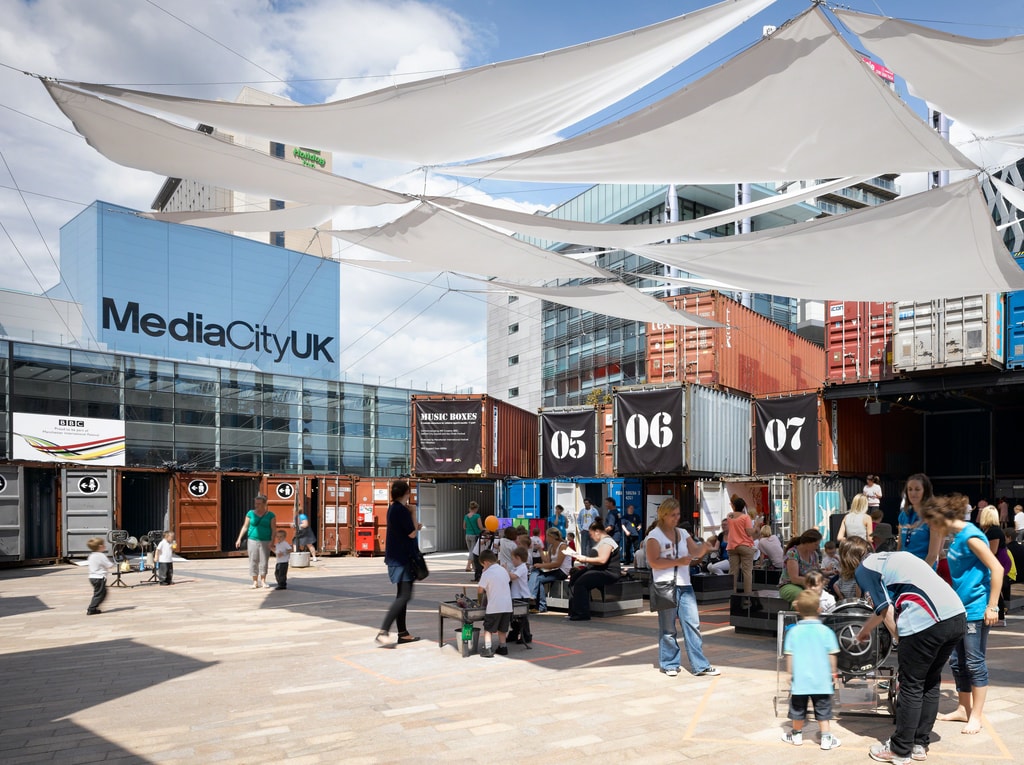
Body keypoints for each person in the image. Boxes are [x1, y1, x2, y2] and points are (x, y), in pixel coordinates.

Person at [840, 538, 966, 765]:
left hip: (928, 622)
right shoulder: (896, 556)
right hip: (956, 616)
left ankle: (900, 749)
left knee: (911, 685)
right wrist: (865, 630)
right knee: (930, 681)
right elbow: (882, 610)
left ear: (847, 559)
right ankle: (919, 744)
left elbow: (884, 608)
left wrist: (900, 638)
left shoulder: (864, 569)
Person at [920, 495, 1003, 736]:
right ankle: (963, 708)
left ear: (941, 518)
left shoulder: (971, 535)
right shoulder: (953, 537)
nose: (930, 527)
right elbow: (932, 558)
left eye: (931, 522)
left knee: (974, 662)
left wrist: (993, 606)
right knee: (957, 662)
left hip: (976, 609)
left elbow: (996, 568)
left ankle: (976, 716)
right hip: (959, 608)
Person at [645, 498, 718, 677]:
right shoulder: (654, 536)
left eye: (678, 514)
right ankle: (670, 663)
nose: (676, 518)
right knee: (668, 628)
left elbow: (694, 552)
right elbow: (653, 561)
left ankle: (700, 665)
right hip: (665, 585)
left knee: (693, 625)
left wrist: (705, 548)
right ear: (663, 515)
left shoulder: (683, 533)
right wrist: (677, 561)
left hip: (685, 585)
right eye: (672, 515)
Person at [781, 589, 841, 750]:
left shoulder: (793, 632)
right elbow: (832, 654)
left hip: (800, 680)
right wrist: (833, 672)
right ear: (819, 609)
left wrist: (790, 673)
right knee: (823, 709)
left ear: (798, 610)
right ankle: (826, 738)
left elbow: (790, 655)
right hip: (821, 680)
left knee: (798, 709)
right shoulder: (826, 631)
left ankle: (796, 735)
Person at [376, 480, 423, 647]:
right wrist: (413, 513)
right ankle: (384, 630)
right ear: (406, 493)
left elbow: (406, 530)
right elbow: (411, 534)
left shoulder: (392, 508)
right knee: (404, 596)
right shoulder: (401, 510)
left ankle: (403, 633)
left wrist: (414, 524)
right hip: (402, 559)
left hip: (397, 557)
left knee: (401, 596)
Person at [565, 520, 620, 622]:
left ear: (597, 531)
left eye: (591, 534)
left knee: (581, 583)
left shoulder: (608, 542)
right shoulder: (602, 542)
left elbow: (602, 560)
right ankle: (574, 611)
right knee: (575, 578)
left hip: (608, 573)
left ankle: (582, 613)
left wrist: (584, 559)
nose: (591, 537)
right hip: (597, 569)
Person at [235, 494, 276, 589]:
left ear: (265, 504)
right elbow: (245, 526)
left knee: (264, 561)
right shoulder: (250, 513)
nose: (256, 505)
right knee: (253, 560)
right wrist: (239, 538)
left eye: (259, 503)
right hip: (252, 539)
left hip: (266, 540)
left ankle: (263, 581)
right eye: (255, 503)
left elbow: (274, 529)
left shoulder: (271, 515)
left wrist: (272, 541)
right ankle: (254, 582)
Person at [978, 506, 1011, 625]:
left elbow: (993, 551)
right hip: (996, 561)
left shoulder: (994, 531)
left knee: (996, 588)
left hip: (998, 562)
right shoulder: (989, 530)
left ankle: (1000, 616)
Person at [476, 550, 512, 657]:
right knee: (502, 628)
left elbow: (480, 591)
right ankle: (503, 647)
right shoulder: (503, 570)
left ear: (486, 562)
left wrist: (479, 602)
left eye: (483, 565)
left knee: (488, 628)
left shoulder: (487, 573)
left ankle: (487, 648)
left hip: (494, 606)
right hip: (507, 606)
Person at [898, 474, 941, 563]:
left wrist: (920, 574)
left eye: (917, 489)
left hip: (923, 570)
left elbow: (933, 555)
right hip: (903, 569)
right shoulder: (904, 515)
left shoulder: (933, 517)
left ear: (925, 491)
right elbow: (900, 546)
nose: (913, 493)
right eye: (910, 489)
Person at [529, 528, 571, 613]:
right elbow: (547, 562)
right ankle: (536, 599)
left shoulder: (562, 546)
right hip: (555, 570)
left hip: (562, 571)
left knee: (539, 579)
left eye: (547, 536)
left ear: (552, 537)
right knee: (535, 573)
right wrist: (540, 550)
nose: (546, 539)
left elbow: (558, 563)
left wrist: (541, 565)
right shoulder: (551, 547)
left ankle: (539, 604)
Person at [778, 530, 822, 605]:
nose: (817, 547)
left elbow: (816, 572)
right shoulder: (793, 553)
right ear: (808, 542)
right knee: (804, 598)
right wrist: (813, 582)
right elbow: (794, 579)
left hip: (807, 585)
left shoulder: (814, 555)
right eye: (815, 544)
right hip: (789, 585)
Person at [724, 496, 755, 597]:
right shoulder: (746, 517)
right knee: (747, 572)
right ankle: (747, 596)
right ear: (743, 507)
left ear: (734, 506)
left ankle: (732, 595)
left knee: (733, 571)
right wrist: (756, 527)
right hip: (744, 545)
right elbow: (749, 532)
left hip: (732, 546)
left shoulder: (729, 516)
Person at [507, 546, 532, 646]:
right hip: (515, 595)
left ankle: (526, 635)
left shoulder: (522, 568)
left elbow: (513, 577)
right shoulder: (516, 568)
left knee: (522, 618)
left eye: (513, 559)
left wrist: (505, 571)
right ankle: (514, 633)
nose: (512, 561)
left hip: (522, 596)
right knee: (514, 618)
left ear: (518, 558)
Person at [85, 536, 114, 615]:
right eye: (103, 544)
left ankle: (94, 607)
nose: (105, 546)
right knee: (100, 594)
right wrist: (112, 564)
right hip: (99, 578)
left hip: (92, 577)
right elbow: (108, 565)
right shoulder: (101, 555)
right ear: (100, 547)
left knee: (101, 592)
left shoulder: (91, 556)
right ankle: (92, 608)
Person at [463, 501, 482, 573]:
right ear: (476, 508)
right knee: (473, 551)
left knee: (471, 551)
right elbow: (480, 527)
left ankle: (474, 567)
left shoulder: (466, 516)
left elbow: (464, 527)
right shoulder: (477, 516)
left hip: (467, 535)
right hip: (475, 535)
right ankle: (468, 565)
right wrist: (484, 529)